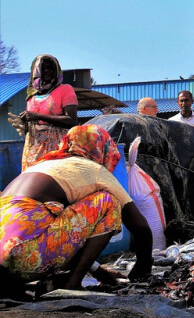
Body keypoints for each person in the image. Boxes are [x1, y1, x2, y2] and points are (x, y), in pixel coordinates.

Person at [0, 125, 153, 294]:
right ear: (100, 148)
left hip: (4, 262)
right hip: (24, 256)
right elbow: (140, 227)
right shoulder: (92, 169)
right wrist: (143, 267)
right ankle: (72, 283)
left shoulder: (42, 165)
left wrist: (98, 271)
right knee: (109, 202)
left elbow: (68, 235)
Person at [19, 54, 79, 171]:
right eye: (43, 68)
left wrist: (37, 116)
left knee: (53, 178)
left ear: (56, 70)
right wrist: (23, 124)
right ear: (36, 71)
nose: (47, 71)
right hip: (33, 147)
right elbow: (32, 123)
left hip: (56, 145)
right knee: (32, 180)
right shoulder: (32, 95)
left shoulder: (65, 89)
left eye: (50, 67)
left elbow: (72, 120)